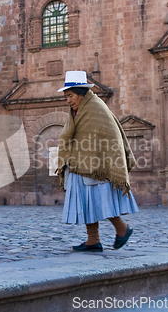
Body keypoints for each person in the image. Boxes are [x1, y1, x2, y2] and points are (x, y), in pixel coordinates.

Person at [57, 71, 139, 252]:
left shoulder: (94, 108)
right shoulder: (79, 110)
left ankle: (122, 229)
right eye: (66, 97)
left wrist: (97, 157)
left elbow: (108, 135)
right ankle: (93, 240)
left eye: (70, 96)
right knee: (88, 202)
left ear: (81, 93)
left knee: (100, 200)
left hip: (96, 165)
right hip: (81, 165)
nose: (68, 100)